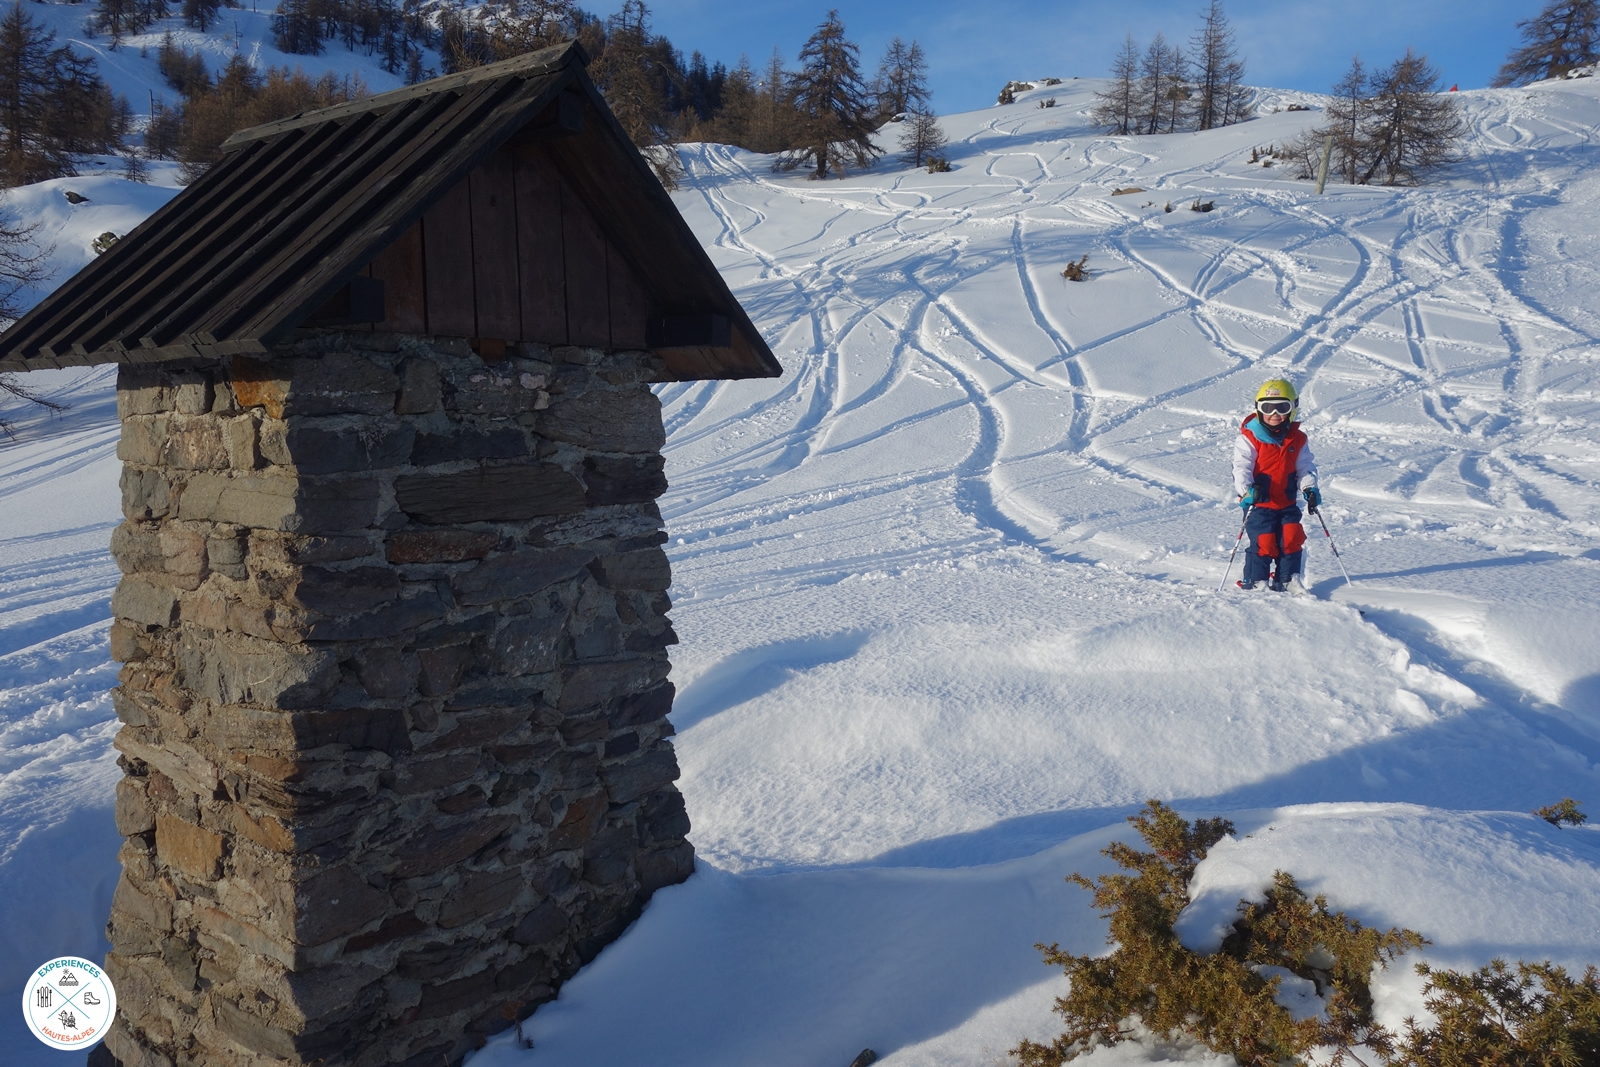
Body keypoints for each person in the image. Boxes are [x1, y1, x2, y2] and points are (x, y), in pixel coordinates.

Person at [1232, 378, 1319, 593]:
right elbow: (1241, 467)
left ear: (1292, 409)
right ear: (1259, 409)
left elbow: (1305, 467)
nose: (1274, 413)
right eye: (1267, 408)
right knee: (1265, 543)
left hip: (1287, 502)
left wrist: (1309, 488)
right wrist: (1247, 490)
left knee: (1291, 539)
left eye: (1282, 407)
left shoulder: (1297, 439)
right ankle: (1255, 582)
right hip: (1259, 503)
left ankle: (1288, 580)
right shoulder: (1250, 437)